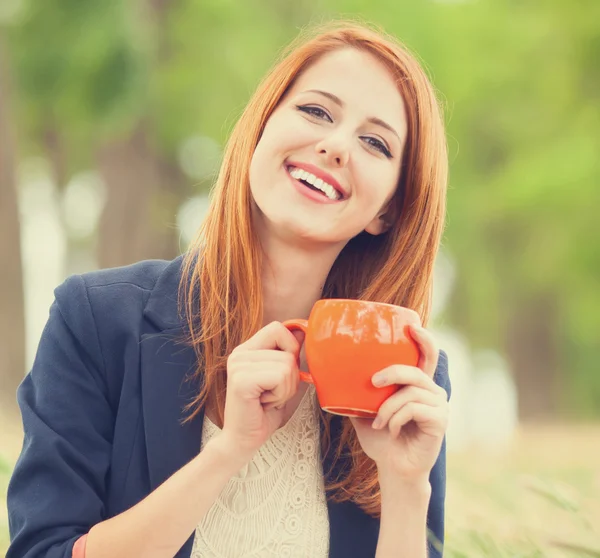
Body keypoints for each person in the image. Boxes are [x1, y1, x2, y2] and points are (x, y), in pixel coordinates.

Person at [7, 20, 451, 558]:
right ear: (262, 128)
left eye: (375, 142)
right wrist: (230, 450)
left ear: (389, 209)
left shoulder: (403, 377)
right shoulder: (96, 321)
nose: (335, 146)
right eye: (316, 111)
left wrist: (406, 488)